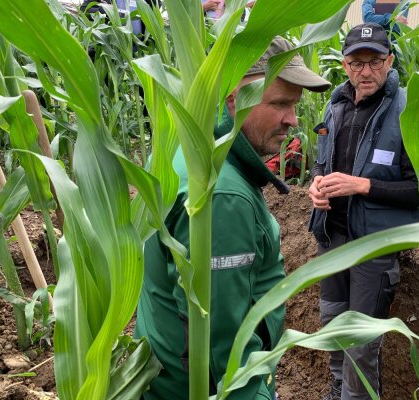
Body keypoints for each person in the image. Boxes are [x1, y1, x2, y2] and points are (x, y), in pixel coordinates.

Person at [135, 37, 330, 400]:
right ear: (233, 99)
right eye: (280, 104)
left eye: (295, 105)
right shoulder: (222, 197)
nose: (292, 119)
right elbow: (224, 344)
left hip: (163, 375)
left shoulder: (183, 144)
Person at [308, 22, 419, 400]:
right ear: (345, 65)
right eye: (356, 62)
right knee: (332, 326)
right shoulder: (335, 105)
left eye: (375, 61)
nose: (366, 71)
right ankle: (337, 391)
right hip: (332, 238)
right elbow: (320, 164)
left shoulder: (412, 108)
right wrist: (316, 185)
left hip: (374, 246)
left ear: (390, 61)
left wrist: (361, 185)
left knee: (361, 346)